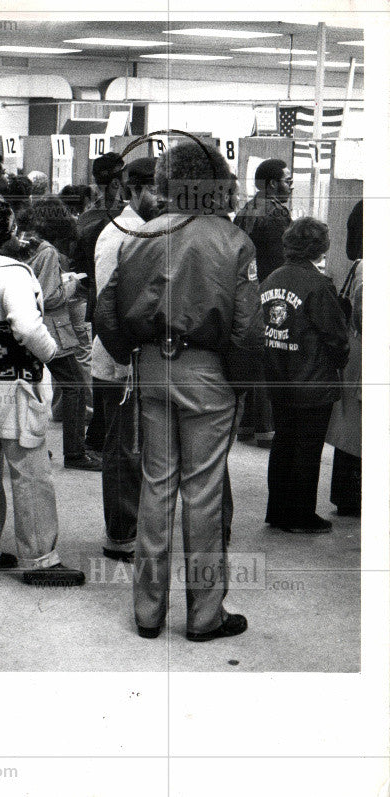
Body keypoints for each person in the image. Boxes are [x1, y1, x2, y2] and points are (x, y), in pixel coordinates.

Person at [94, 141, 261, 641]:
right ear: (219, 184)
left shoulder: (139, 235)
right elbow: (245, 326)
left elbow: (105, 309)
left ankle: (148, 612)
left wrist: (127, 354)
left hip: (150, 369)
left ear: (167, 182)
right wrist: (243, 382)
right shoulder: (233, 240)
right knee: (204, 492)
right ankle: (205, 615)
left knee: (156, 485)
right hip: (206, 371)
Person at [0, 202, 86, 588]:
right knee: (30, 473)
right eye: (15, 229)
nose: (22, 237)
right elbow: (27, 327)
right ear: (3, 236)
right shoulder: (13, 275)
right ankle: (40, 558)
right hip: (16, 386)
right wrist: (50, 353)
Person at [260, 217, 350, 533]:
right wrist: (340, 361)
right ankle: (300, 516)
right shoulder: (319, 286)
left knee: (284, 444)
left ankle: (278, 511)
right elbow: (337, 337)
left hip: (278, 377)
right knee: (307, 450)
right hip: (312, 380)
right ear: (320, 246)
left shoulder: (271, 279)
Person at [90, 157, 159, 562]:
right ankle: (120, 534)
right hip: (121, 359)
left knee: (141, 448)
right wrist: (126, 356)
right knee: (123, 449)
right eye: (153, 189)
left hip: (141, 357)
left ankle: (136, 525)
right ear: (131, 190)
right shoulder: (119, 235)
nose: (162, 198)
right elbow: (107, 306)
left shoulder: (152, 230)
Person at [23, 198, 98, 471]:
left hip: (26, 327)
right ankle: (76, 453)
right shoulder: (48, 252)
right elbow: (50, 297)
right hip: (52, 329)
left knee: (28, 388)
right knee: (75, 385)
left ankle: (31, 446)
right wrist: (71, 283)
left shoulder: (25, 245)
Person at [233, 158, 293, 448]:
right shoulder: (276, 215)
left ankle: (247, 424)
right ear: (272, 183)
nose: (290, 186)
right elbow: (282, 260)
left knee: (254, 354)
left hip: (246, 291)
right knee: (270, 359)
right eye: (286, 180)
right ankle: (266, 427)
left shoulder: (246, 210)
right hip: (271, 292)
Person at [71, 152, 126, 453]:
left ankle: (98, 432)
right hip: (114, 298)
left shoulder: (87, 216)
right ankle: (103, 433)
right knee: (114, 368)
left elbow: (78, 262)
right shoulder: (118, 220)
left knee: (102, 364)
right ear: (118, 181)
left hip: (94, 297)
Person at [327, 200, 363, 516]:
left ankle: (346, 494)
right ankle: (352, 496)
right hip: (363, 351)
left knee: (351, 425)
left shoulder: (357, 266)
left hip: (355, 351)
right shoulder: (366, 267)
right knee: (357, 429)